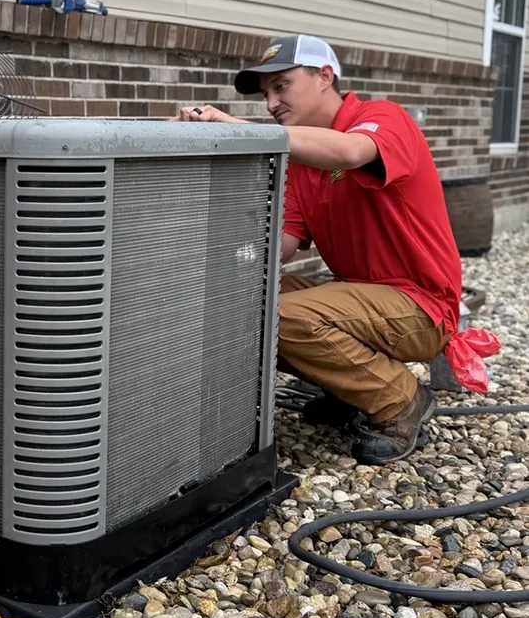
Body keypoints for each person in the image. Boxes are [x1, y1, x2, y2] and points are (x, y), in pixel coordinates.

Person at [172, 34, 462, 465]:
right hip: (360, 297)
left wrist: (238, 130)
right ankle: (349, 391)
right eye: (266, 94)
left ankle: (401, 400)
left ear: (324, 77)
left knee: (282, 315)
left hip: (422, 306)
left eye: (281, 86)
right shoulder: (303, 164)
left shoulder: (383, 117)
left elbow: (349, 151)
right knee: (245, 301)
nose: (272, 103)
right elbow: (278, 247)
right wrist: (202, 256)